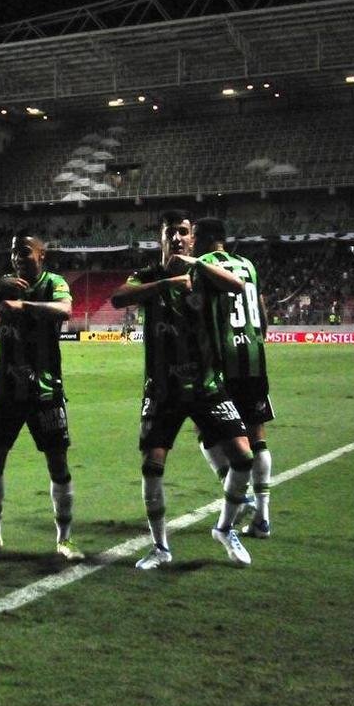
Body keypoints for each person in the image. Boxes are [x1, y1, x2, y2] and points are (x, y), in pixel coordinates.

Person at [110, 211, 257, 570]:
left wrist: (193, 265)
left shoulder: (202, 273)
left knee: (243, 458)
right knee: (152, 466)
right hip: (162, 389)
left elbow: (238, 287)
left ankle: (224, 528)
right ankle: (160, 547)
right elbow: (119, 297)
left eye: (183, 232)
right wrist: (167, 285)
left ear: (192, 239)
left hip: (207, 385)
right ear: (160, 238)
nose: (176, 237)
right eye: (170, 232)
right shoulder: (148, 275)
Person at [0, 231, 83, 561]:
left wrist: (24, 305)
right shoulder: (5, 283)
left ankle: (65, 539)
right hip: (7, 390)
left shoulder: (53, 282)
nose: (17, 258)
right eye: (14, 253)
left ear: (42, 255)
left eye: (25, 252)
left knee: (57, 461)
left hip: (45, 389)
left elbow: (66, 310)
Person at [195, 219, 273, 540]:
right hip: (254, 359)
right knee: (257, 436)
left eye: (196, 236)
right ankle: (263, 520)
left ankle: (235, 492)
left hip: (223, 364)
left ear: (208, 239)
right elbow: (262, 311)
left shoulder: (204, 264)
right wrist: (256, 338)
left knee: (205, 431)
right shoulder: (248, 265)